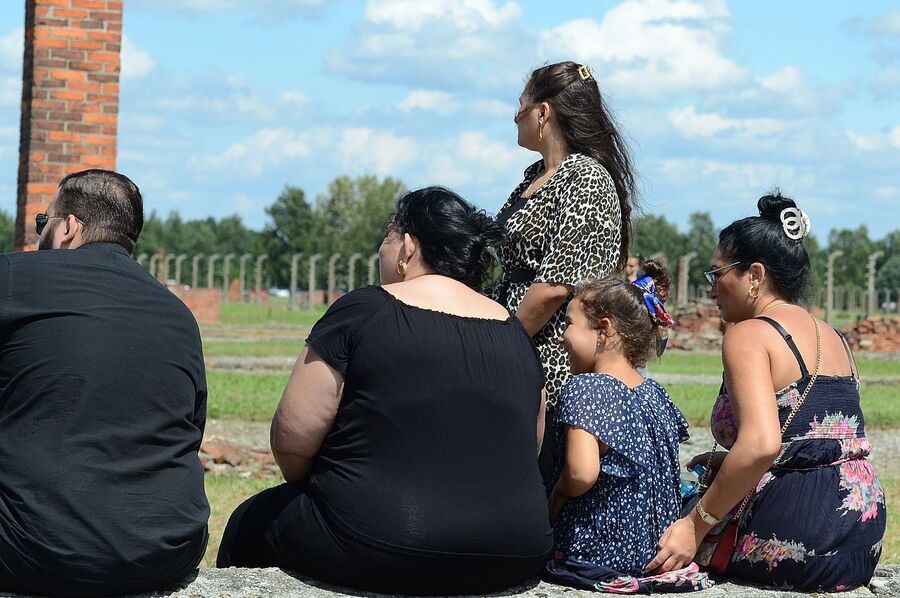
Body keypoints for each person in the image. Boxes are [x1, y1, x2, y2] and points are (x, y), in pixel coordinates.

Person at [217, 187, 553, 595]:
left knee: (250, 521)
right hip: (516, 551)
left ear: (407, 247)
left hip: (382, 542)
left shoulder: (363, 310)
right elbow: (530, 444)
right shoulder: (514, 331)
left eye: (387, 237)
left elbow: (292, 439)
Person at [647, 193, 885, 592]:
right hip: (861, 538)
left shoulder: (748, 335)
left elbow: (760, 444)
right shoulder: (834, 336)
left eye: (717, 273)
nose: (712, 288)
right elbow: (817, 438)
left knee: (656, 524)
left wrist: (695, 525)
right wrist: (732, 463)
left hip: (801, 536)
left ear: (754, 275)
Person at [0, 169, 209, 596]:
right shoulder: (177, 312)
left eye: (43, 222)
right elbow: (192, 426)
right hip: (168, 548)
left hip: (36, 547)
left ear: (68, 227)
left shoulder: (13, 276)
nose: (40, 235)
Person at [491, 61, 638, 478]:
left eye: (520, 105)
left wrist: (499, 345)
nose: (515, 116)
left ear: (543, 112)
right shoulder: (536, 176)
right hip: (521, 351)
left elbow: (555, 287)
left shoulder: (586, 179)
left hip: (550, 363)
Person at [545, 260, 690, 583]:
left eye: (568, 324)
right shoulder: (653, 391)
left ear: (604, 330)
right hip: (654, 551)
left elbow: (581, 473)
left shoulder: (589, 388)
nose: (561, 337)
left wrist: (555, 498)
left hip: (601, 551)